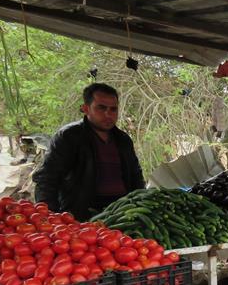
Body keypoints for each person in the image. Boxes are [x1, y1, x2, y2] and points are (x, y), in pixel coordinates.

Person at [34, 83, 145, 220]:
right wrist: (49, 217)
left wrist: (142, 205)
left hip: (122, 214)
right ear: (86, 108)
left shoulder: (123, 140)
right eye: (101, 108)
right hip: (82, 214)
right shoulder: (69, 136)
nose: (108, 114)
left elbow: (136, 176)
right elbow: (48, 178)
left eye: (113, 109)